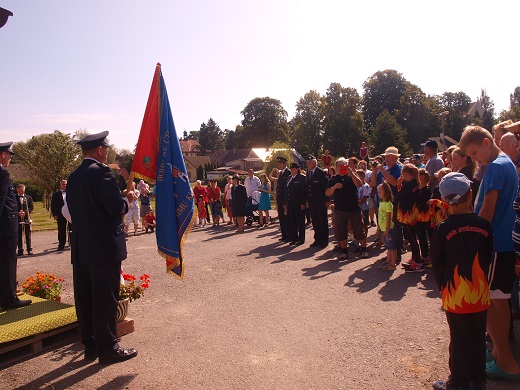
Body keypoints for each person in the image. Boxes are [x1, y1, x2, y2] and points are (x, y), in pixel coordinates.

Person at [66, 131, 137, 364]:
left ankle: (91, 346)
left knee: (85, 298)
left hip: (81, 245)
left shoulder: (74, 176)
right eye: (106, 148)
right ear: (99, 150)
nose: (108, 152)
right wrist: (127, 200)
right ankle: (108, 348)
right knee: (105, 298)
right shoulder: (103, 173)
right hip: (103, 246)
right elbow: (113, 207)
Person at [459, 125, 520, 379]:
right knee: (499, 300)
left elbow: (487, 211)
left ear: (486, 142)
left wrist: (472, 240)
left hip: (493, 245)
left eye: (474, 153)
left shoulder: (494, 167)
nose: (474, 159)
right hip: (504, 244)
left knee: (486, 302)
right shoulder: (506, 162)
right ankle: (498, 351)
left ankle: (506, 361)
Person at [430, 172, 493, 390]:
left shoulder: (442, 229)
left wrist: (442, 288)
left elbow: (437, 263)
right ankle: (478, 379)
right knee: (478, 337)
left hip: (455, 294)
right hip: (480, 292)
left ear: (445, 201)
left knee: (458, 339)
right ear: (471, 195)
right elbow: (488, 257)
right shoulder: (484, 226)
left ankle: (458, 382)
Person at [0, 142, 32, 310]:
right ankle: (8, 298)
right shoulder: (2, 173)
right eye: (9, 155)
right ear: (2, 155)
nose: (10, 159)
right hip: (5, 226)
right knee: (7, 261)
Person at [326, 157, 368, 259]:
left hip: (354, 208)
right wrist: (334, 187)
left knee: (359, 229)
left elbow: (359, 184)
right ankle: (344, 251)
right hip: (340, 209)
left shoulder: (351, 176)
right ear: (336, 168)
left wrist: (351, 172)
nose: (342, 168)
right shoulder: (333, 179)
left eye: (344, 166)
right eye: (340, 166)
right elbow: (327, 193)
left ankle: (364, 249)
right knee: (341, 231)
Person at [306, 155, 329, 248]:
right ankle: (317, 239)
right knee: (315, 220)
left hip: (320, 201)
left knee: (322, 220)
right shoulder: (308, 173)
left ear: (315, 163)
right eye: (307, 162)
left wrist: (327, 200)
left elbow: (326, 187)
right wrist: (307, 200)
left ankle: (324, 240)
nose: (308, 164)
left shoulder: (321, 173)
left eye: (309, 162)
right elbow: (308, 188)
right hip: (312, 201)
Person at [377, 182, 397, 271]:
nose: (378, 194)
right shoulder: (382, 203)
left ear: (385, 192)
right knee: (388, 246)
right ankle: (388, 261)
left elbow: (389, 218)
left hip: (388, 229)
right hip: (383, 228)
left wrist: (387, 229)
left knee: (392, 247)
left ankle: (393, 264)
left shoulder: (388, 204)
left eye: (380, 192)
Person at [285, 162, 307, 245]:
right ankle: (294, 238)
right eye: (291, 169)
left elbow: (304, 192)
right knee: (292, 221)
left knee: (300, 222)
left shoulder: (302, 178)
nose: (292, 170)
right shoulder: (289, 178)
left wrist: (303, 203)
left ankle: (301, 239)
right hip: (290, 203)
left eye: (294, 168)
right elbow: (286, 190)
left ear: (297, 169)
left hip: (298, 203)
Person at [275, 156, 291, 242]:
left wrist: (286, 201)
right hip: (280, 198)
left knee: (286, 218)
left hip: (285, 199)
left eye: (281, 163)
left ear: (284, 163)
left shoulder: (288, 172)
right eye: (279, 163)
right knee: (281, 217)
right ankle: (284, 235)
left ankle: (289, 235)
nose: (279, 165)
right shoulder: (281, 173)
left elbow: (287, 188)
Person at [51, 179, 70, 251]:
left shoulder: (71, 193)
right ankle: (61, 244)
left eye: (66, 184)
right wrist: (54, 214)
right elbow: (53, 205)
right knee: (61, 230)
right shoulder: (56, 194)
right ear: (60, 185)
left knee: (72, 229)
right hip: (60, 214)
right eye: (63, 184)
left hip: (70, 214)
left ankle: (72, 243)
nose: (64, 186)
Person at [16, 183, 33, 256]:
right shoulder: (14, 198)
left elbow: (31, 207)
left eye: (22, 190)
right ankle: (20, 250)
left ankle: (29, 249)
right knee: (19, 234)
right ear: (17, 190)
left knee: (28, 234)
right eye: (20, 190)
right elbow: (12, 207)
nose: (21, 192)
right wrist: (18, 213)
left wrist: (25, 213)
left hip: (26, 218)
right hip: (17, 218)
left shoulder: (28, 197)